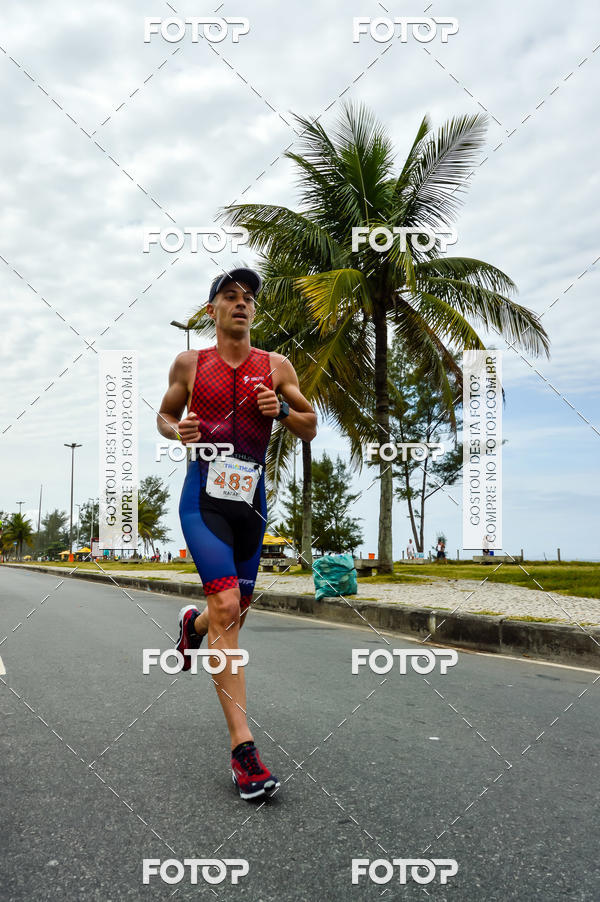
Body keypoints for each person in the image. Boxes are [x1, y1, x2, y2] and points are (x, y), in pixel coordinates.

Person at [157, 268, 317, 801]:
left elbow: (310, 424)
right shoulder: (189, 363)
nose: (242, 304)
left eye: (248, 298)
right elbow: (165, 415)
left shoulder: (276, 366)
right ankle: (243, 749)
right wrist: (176, 430)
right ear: (213, 311)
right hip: (202, 499)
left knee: (233, 612)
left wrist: (284, 410)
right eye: (230, 297)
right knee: (228, 605)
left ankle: (193, 625)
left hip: (251, 502)